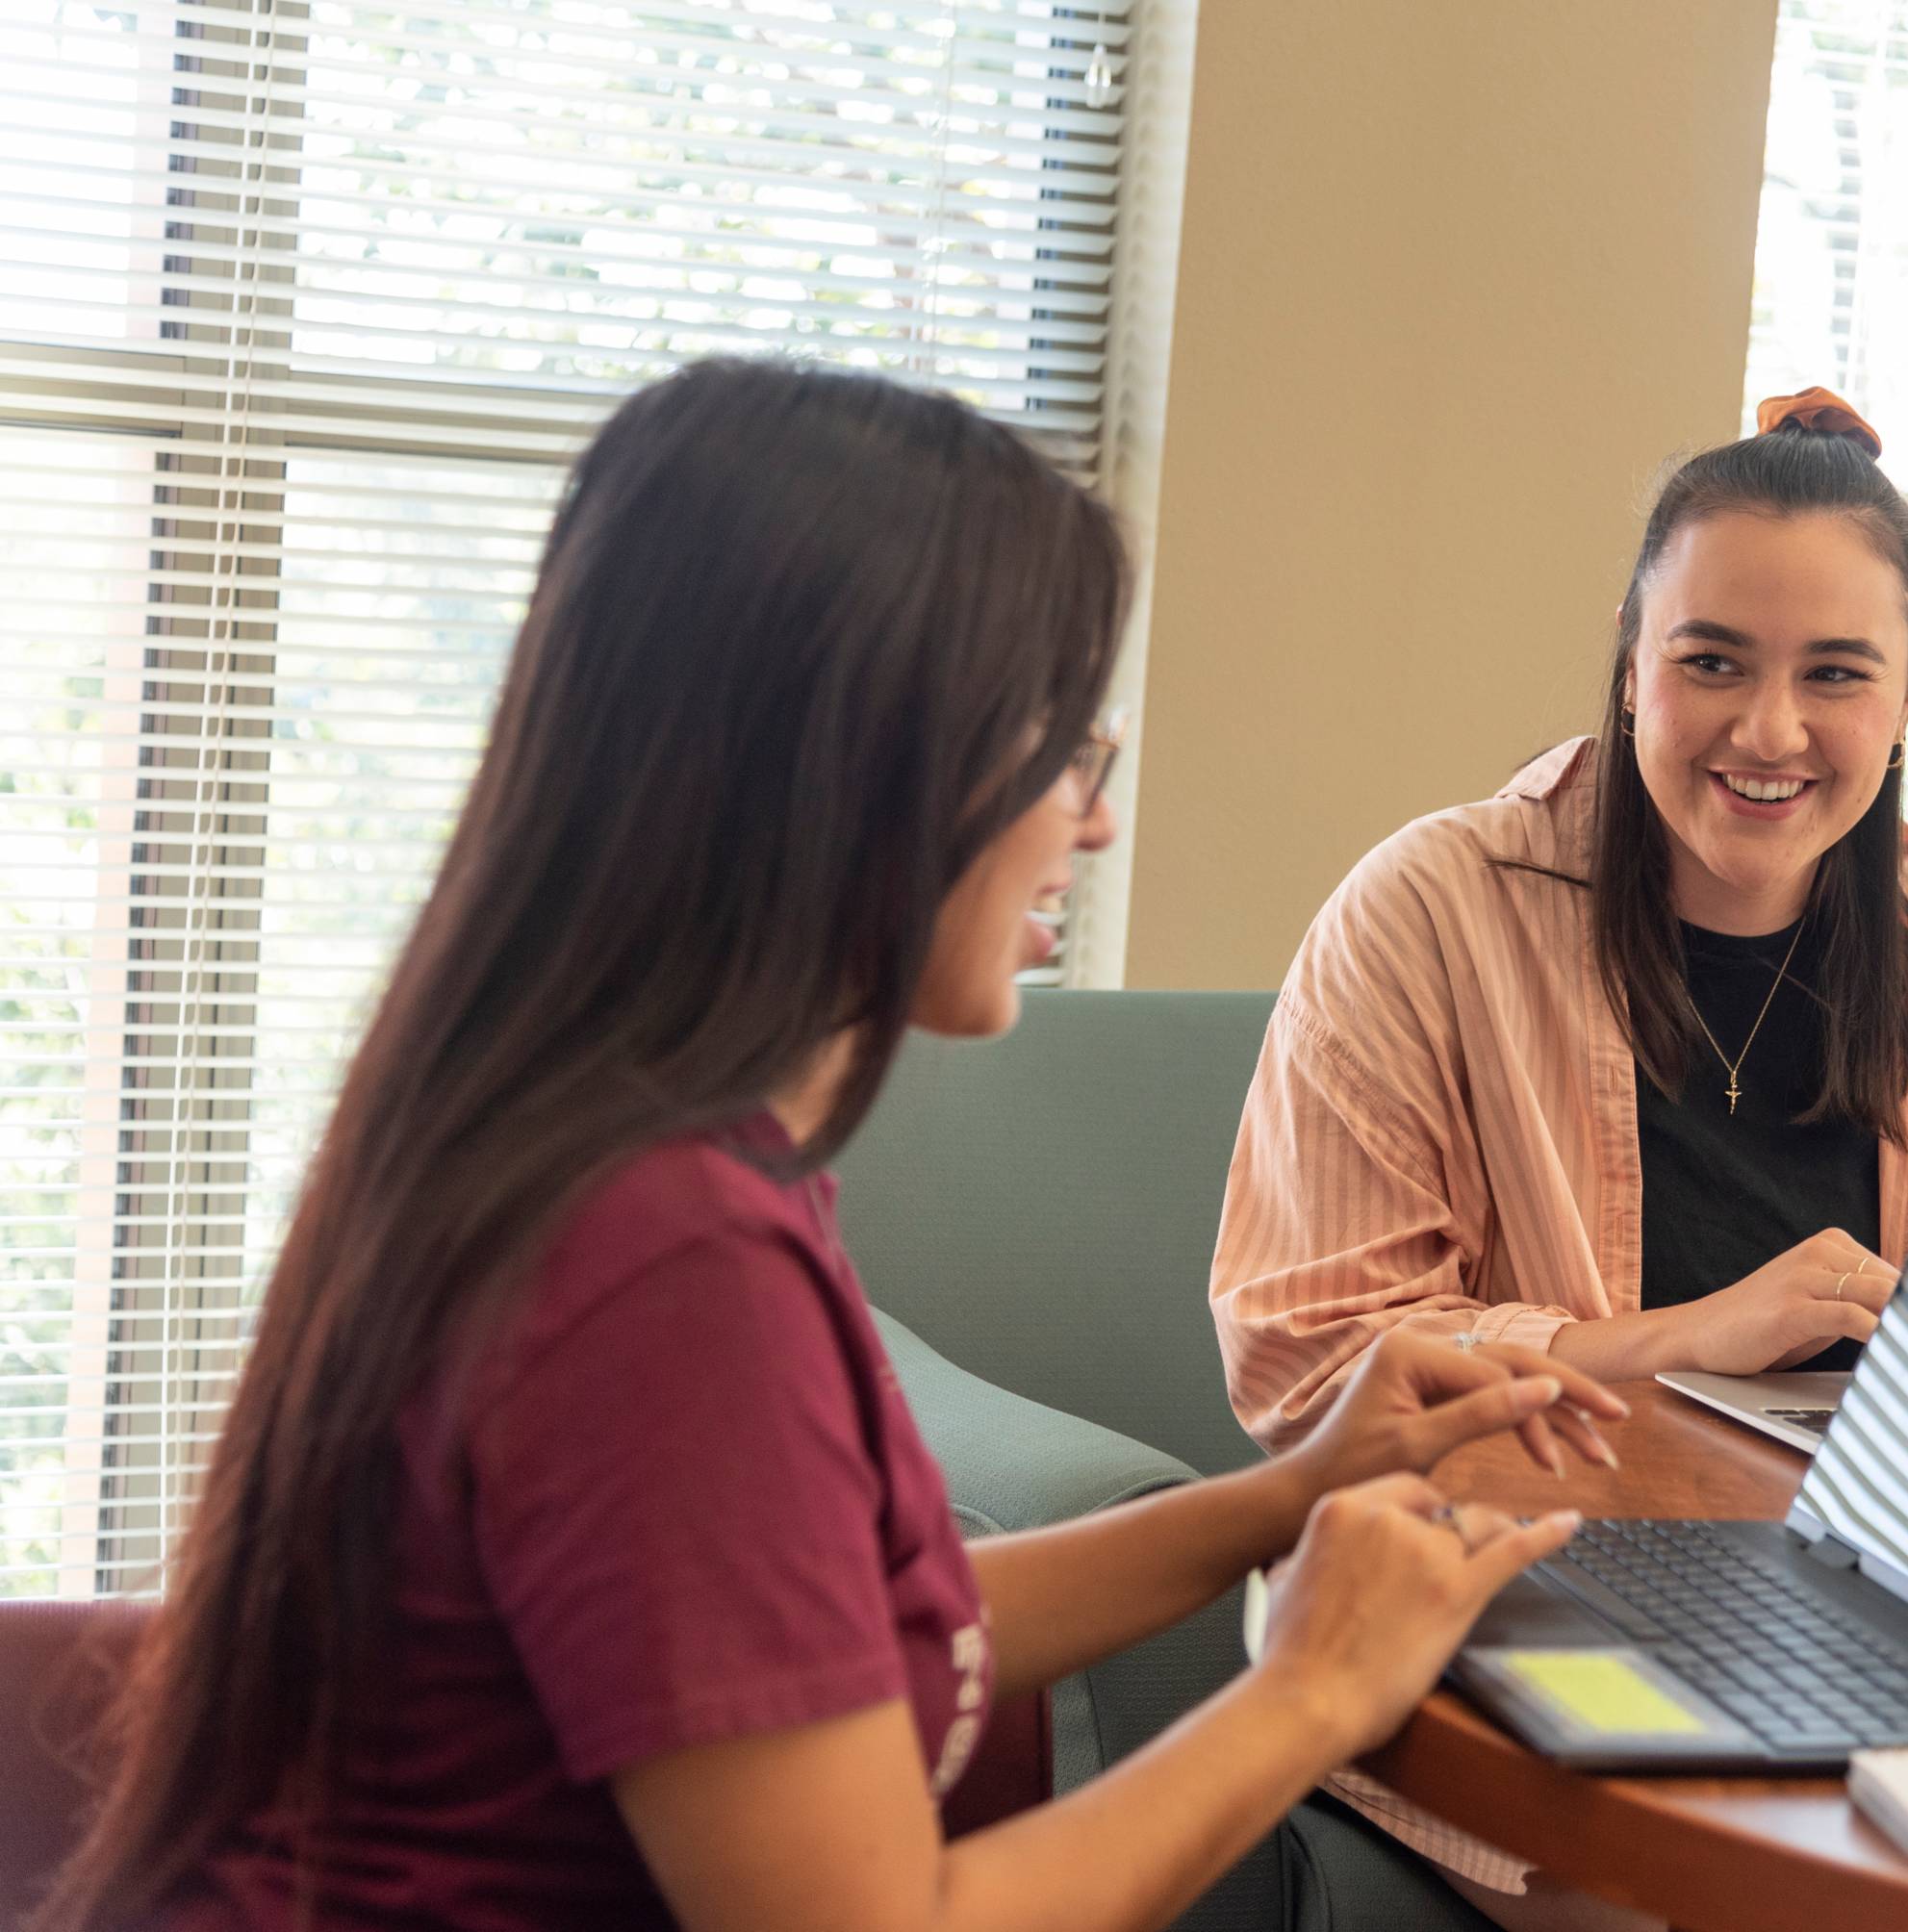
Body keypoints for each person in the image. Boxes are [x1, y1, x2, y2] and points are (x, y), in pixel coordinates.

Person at [36, 360, 1629, 1932]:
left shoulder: (625, 1153)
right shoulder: (667, 1265)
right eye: (1061, 746)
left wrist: (1286, 1499)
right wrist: (1310, 1692)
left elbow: (856, 1645)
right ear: (856, 767)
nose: (1095, 820)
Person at [1208, 388, 1908, 1925]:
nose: (1770, 731)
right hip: (1522, 1595)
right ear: (1627, 663)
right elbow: (1307, 1361)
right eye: (1712, 662)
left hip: (1856, 1617)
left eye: (1837, 675)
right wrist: (1681, 1346)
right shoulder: (1430, 909)